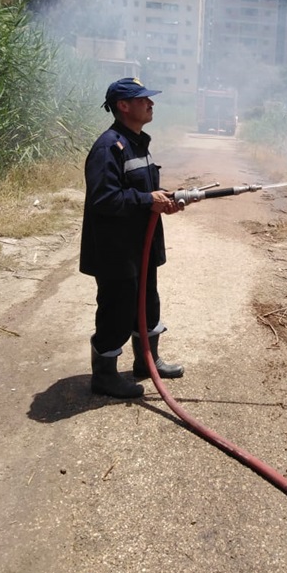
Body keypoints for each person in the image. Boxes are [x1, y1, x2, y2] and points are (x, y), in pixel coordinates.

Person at [80, 77, 184, 399]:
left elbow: (142, 192)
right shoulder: (108, 147)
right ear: (123, 106)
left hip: (142, 245)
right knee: (117, 309)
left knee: (148, 302)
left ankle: (146, 362)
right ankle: (105, 378)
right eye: (143, 100)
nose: (151, 104)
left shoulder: (139, 143)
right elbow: (104, 199)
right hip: (117, 250)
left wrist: (164, 200)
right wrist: (147, 200)